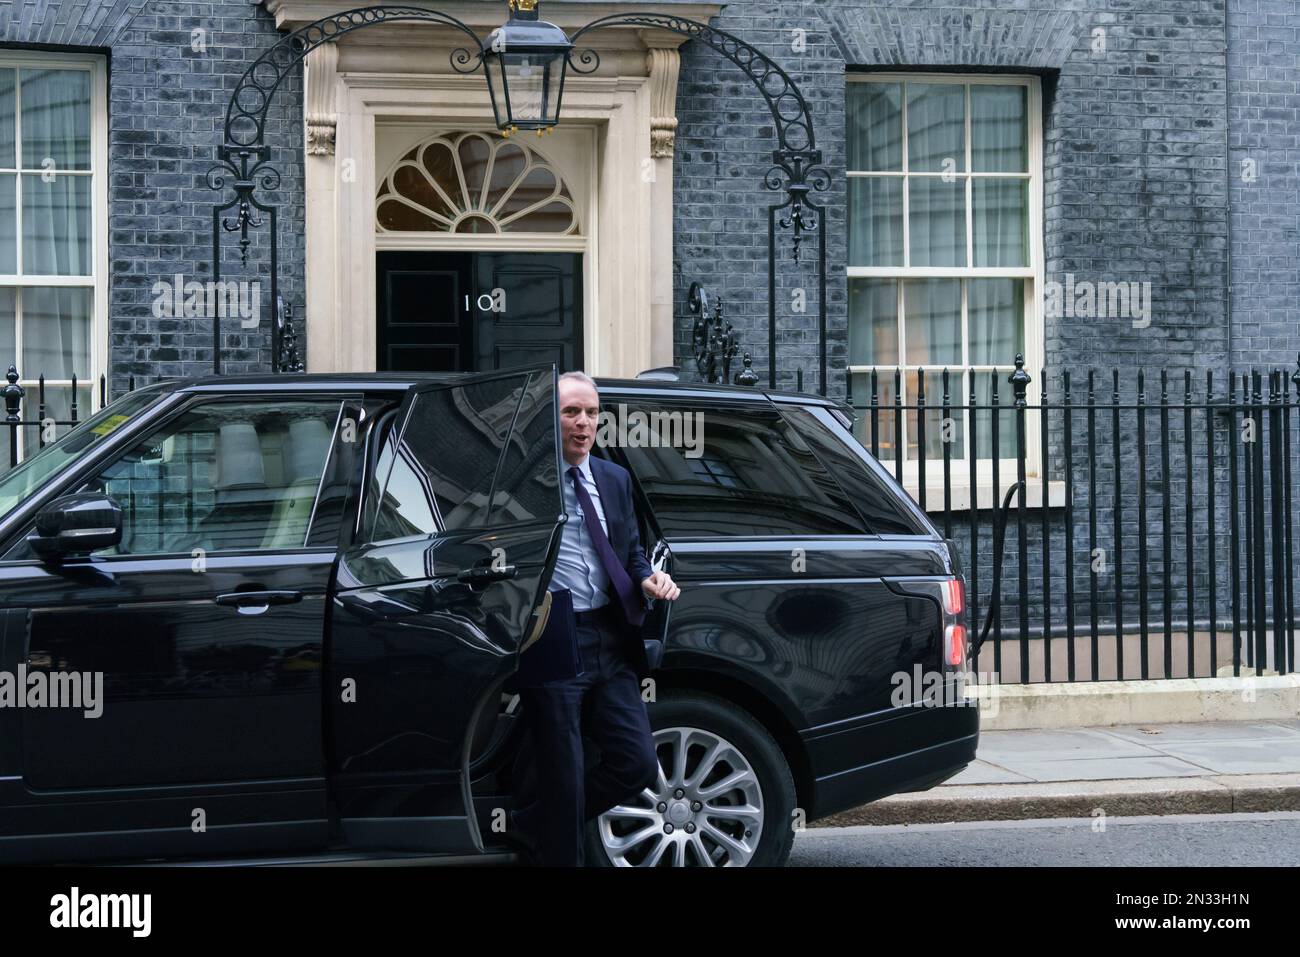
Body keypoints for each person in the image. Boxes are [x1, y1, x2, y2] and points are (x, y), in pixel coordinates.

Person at [508, 370, 681, 866]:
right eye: (570, 412)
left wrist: (648, 578)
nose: (583, 424)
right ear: (550, 419)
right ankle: (554, 839)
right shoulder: (526, 483)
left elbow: (630, 551)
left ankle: (530, 823)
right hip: (552, 633)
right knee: (563, 771)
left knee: (637, 764)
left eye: (590, 413)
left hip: (610, 632)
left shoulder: (614, 477)